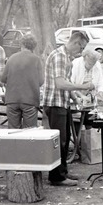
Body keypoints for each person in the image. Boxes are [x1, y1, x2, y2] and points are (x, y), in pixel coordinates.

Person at [42, 32, 95, 186]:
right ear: (76, 43)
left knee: (64, 141)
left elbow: (67, 83)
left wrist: (76, 97)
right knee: (59, 141)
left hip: (63, 103)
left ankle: (62, 171)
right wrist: (83, 86)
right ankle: (56, 177)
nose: (81, 52)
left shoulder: (67, 58)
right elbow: (60, 84)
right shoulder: (59, 56)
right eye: (82, 48)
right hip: (54, 103)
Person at [0, 34, 44, 129]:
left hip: (12, 99)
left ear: (22, 44)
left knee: (13, 131)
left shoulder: (11, 58)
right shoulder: (36, 60)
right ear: (34, 46)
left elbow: (2, 79)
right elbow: (41, 81)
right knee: (29, 131)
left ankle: (14, 144)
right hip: (30, 100)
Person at [71, 48, 103, 130]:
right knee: (77, 119)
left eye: (94, 63)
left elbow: (101, 81)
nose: (92, 65)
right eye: (90, 63)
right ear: (84, 58)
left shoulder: (96, 64)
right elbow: (71, 85)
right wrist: (81, 96)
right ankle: (78, 139)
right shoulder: (76, 64)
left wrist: (100, 93)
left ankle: (89, 135)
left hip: (90, 96)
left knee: (91, 118)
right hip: (76, 95)